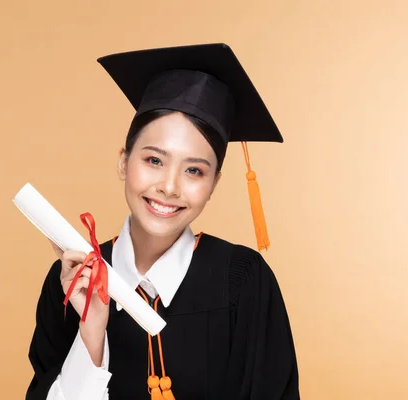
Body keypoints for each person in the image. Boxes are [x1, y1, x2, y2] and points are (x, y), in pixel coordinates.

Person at [25, 43, 300, 400]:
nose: (169, 187)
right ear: (124, 162)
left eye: (194, 170)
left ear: (214, 184)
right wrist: (91, 336)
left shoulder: (243, 281)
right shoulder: (74, 282)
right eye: (154, 161)